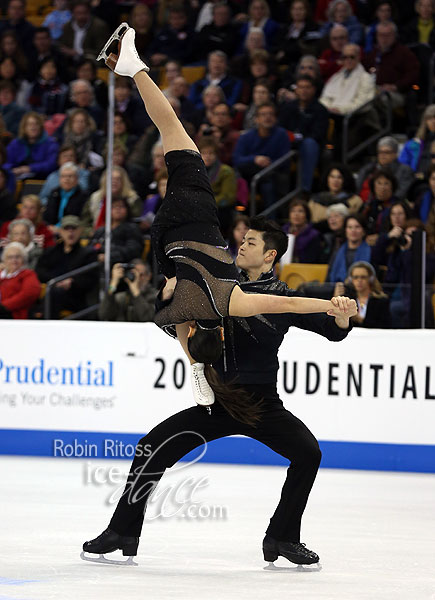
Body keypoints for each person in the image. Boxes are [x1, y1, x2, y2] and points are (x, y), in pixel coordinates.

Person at [95, 25, 355, 399]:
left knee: (174, 131)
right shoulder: (184, 315)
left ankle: (135, 68)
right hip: (164, 243)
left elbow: (292, 302)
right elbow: (177, 317)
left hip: (193, 217)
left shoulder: (234, 301)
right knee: (175, 291)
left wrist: (331, 303)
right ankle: (130, 69)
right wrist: (198, 369)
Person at [83, 211, 355, 566]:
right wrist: (166, 296)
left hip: (263, 405)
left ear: (270, 255)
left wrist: (344, 314)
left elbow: (333, 331)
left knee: (309, 453)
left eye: (251, 242)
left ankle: (283, 537)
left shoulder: (285, 299)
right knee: (152, 447)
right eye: (242, 240)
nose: (241, 245)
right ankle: (122, 531)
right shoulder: (220, 288)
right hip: (217, 401)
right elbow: (171, 318)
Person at [233, 101, 291, 212]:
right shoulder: (246, 137)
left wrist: (269, 163)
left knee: (268, 185)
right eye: (263, 115)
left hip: (273, 173)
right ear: (256, 119)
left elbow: (285, 159)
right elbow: (237, 159)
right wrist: (255, 159)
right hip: (250, 173)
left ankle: (271, 220)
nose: (267, 117)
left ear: (275, 118)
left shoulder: (281, 134)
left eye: (271, 114)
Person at [35, 214, 96, 318]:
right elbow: (39, 270)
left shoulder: (87, 254)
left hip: (75, 296)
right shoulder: (51, 251)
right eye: (66, 228)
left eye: (74, 228)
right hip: (52, 290)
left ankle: (46, 322)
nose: (70, 232)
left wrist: (72, 282)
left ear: (80, 230)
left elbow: (90, 279)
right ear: (60, 232)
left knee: (55, 293)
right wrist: (56, 280)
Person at [279, 75, 329, 192]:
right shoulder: (287, 107)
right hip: (288, 145)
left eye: (307, 87)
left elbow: (318, 134)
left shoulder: (321, 110)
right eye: (300, 87)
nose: (304, 90)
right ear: (296, 89)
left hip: (309, 146)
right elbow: (280, 128)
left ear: (314, 89)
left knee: (309, 143)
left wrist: (298, 138)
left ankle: (304, 189)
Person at [2, 112, 59, 183]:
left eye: (36, 124)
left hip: (41, 179)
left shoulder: (50, 143)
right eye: (29, 124)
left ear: (41, 127)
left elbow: (51, 164)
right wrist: (13, 170)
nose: (33, 127)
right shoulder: (15, 143)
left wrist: (30, 168)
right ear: (24, 127)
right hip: (16, 178)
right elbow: (5, 162)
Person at [319, 44, 375, 116]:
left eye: (352, 57)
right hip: (331, 114)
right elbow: (325, 97)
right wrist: (326, 108)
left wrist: (341, 110)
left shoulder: (366, 78)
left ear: (358, 57)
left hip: (353, 118)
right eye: (345, 57)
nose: (348, 60)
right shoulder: (336, 77)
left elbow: (363, 103)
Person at [356, 136, 415, 202]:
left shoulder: (405, 170)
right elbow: (356, 189)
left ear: (395, 154)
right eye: (380, 152)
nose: (383, 155)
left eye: (387, 152)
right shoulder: (368, 169)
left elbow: (400, 194)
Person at [335, 260, 391, 328]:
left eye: (363, 277)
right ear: (351, 280)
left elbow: (386, 325)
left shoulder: (381, 300)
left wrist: (360, 320)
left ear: (370, 279)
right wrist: (336, 299)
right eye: (355, 277)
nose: (359, 280)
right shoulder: (347, 299)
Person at [44, 162, 89, 231]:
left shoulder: (83, 196)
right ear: (59, 179)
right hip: (52, 229)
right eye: (63, 176)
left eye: (70, 176)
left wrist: (61, 230)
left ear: (77, 179)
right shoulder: (54, 193)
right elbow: (47, 216)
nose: (67, 179)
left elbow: (80, 219)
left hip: (72, 231)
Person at [0, 241, 40, 318]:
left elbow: (28, 294)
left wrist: (3, 306)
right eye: (10, 257)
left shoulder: (28, 274)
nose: (14, 260)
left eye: (17, 257)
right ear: (4, 260)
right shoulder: (1, 274)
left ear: (23, 259)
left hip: (14, 313)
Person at [282, 198, 322, 263]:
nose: (296, 214)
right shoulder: (282, 233)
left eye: (300, 211)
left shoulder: (313, 235)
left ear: (306, 215)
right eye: (293, 211)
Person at [399, 104, 435, 175]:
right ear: (425, 122)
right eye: (429, 118)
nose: (433, 121)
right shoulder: (413, 144)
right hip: (416, 181)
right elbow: (403, 166)